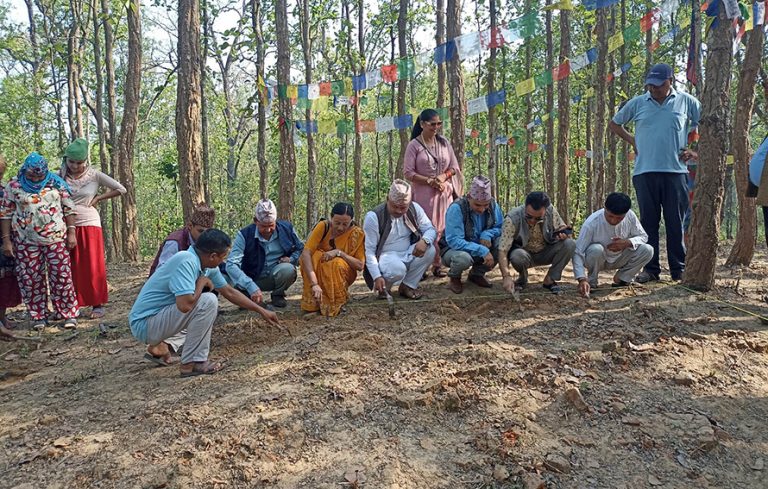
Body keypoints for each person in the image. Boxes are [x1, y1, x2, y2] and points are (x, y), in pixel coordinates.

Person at [129, 229, 279, 377]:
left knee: (204, 310)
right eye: (223, 257)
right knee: (208, 301)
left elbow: (229, 292)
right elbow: (185, 305)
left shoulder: (206, 265)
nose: (223, 261)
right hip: (145, 323)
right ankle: (192, 363)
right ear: (213, 256)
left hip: (158, 319)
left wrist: (261, 311)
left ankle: (162, 346)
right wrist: (201, 284)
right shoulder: (186, 260)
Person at [609, 63, 701, 283]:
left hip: (675, 172)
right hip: (644, 172)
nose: (654, 89)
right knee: (648, 223)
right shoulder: (639, 103)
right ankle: (650, 270)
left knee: (675, 222)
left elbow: (707, 122)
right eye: (650, 85)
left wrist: (695, 151)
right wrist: (633, 140)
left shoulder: (686, 101)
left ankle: (678, 270)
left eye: (658, 85)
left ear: (671, 81)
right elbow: (615, 124)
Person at [0, 152, 79, 330]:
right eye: (31, 175)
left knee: (61, 275)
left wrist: (72, 232)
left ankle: (67, 313)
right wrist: (7, 241)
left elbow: (69, 208)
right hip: (25, 240)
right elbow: (5, 213)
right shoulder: (14, 185)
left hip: (56, 238)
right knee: (31, 278)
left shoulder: (56, 182)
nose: (35, 178)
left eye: (39, 175)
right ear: (25, 171)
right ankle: (38, 316)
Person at [60, 138, 127, 319]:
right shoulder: (59, 175)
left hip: (89, 222)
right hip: (66, 224)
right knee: (71, 265)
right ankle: (72, 304)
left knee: (92, 264)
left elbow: (121, 189)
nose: (74, 166)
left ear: (85, 161)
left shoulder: (94, 175)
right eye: (71, 162)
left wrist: (98, 198)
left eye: (79, 162)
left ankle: (97, 303)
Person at [404, 108, 462, 278]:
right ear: (422, 124)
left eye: (439, 124)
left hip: (444, 194)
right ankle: (420, 266)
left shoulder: (444, 142)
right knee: (425, 229)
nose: (436, 127)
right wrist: (429, 180)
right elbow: (408, 172)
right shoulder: (414, 145)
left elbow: (454, 168)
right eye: (432, 124)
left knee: (444, 229)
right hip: (423, 195)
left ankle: (439, 264)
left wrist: (443, 177)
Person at [363, 179, 437, 299]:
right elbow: (369, 251)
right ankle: (384, 287)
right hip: (385, 257)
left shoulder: (415, 209)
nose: (398, 211)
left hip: (408, 251)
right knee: (397, 269)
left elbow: (431, 229)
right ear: (387, 199)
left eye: (403, 208)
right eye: (395, 206)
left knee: (430, 250)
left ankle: (408, 285)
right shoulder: (374, 217)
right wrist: (376, 276)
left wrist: (425, 240)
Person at [573, 192, 654, 298]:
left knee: (648, 250)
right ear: (605, 208)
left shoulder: (630, 216)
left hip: (620, 258)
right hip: (597, 259)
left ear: (626, 213)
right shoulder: (592, 223)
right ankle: (591, 282)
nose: (613, 220)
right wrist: (581, 279)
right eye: (610, 216)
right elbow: (578, 252)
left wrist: (627, 243)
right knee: (595, 249)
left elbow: (643, 237)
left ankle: (622, 279)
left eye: (619, 218)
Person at [227, 199, 304, 308]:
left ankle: (278, 295)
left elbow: (301, 249)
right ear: (255, 221)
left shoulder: (287, 229)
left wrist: (291, 259)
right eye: (263, 226)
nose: (268, 230)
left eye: (271, 225)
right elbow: (231, 264)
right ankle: (247, 295)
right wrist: (250, 285)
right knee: (230, 276)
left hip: (274, 275)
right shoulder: (244, 235)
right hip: (250, 277)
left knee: (288, 269)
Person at [498, 191, 575, 294]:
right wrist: (506, 276)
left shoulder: (551, 211)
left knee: (570, 244)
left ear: (545, 210)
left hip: (546, 251)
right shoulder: (512, 218)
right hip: (524, 254)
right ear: (525, 207)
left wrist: (564, 233)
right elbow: (502, 250)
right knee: (517, 255)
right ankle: (522, 279)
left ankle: (550, 279)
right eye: (529, 216)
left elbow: (561, 226)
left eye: (538, 218)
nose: (532, 221)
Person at [300, 202, 365, 317]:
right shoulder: (323, 226)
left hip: (342, 271)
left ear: (351, 221)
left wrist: (339, 253)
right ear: (331, 218)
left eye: (345, 224)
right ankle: (313, 303)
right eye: (337, 223)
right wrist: (314, 283)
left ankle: (334, 303)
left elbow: (360, 265)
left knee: (335, 263)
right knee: (314, 257)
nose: (340, 228)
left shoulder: (356, 234)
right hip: (317, 274)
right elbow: (306, 253)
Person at [440, 175, 503, 294]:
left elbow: (501, 227)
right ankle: (454, 277)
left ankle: (476, 274)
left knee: (501, 243)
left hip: (481, 246)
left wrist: (488, 233)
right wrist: (481, 250)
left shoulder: (493, 205)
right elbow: (454, 240)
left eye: (486, 205)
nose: (482, 209)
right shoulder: (457, 208)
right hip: (454, 250)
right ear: (469, 197)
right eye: (477, 205)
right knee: (463, 259)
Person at [148, 204, 217, 276]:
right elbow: (161, 272)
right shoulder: (175, 242)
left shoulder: (206, 241)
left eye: (207, 232)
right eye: (200, 231)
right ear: (190, 226)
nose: (204, 236)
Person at [0, 156, 21, 335]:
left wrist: (7, 240)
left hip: (5, 240)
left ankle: (2, 317)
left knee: (5, 280)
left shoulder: (6, 190)